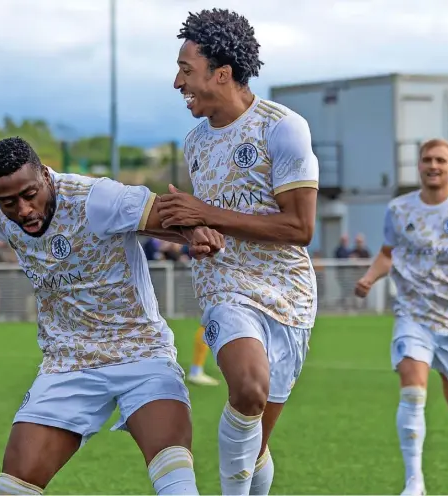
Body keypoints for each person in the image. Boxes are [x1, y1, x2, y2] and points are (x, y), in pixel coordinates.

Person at [0, 137, 226, 495]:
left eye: (30, 194)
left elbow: (162, 213)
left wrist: (195, 233)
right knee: (12, 490)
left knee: (176, 483)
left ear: (46, 177)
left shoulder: (96, 198)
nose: (23, 209)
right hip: (67, 364)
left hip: (141, 354)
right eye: (9, 202)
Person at [158, 9, 319, 495]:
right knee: (248, 388)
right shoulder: (194, 141)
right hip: (224, 286)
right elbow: (206, 218)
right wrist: (194, 229)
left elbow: (300, 226)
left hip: (289, 294)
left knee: (259, 442)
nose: (176, 81)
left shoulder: (283, 128)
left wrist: (205, 211)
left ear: (221, 74)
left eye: (186, 70)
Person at [354, 138, 448, 496]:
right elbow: (388, 254)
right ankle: (414, 482)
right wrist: (370, 277)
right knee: (411, 388)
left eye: (440, 160)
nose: (432, 165)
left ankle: (442, 368)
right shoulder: (399, 209)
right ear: (418, 166)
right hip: (413, 314)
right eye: (426, 160)